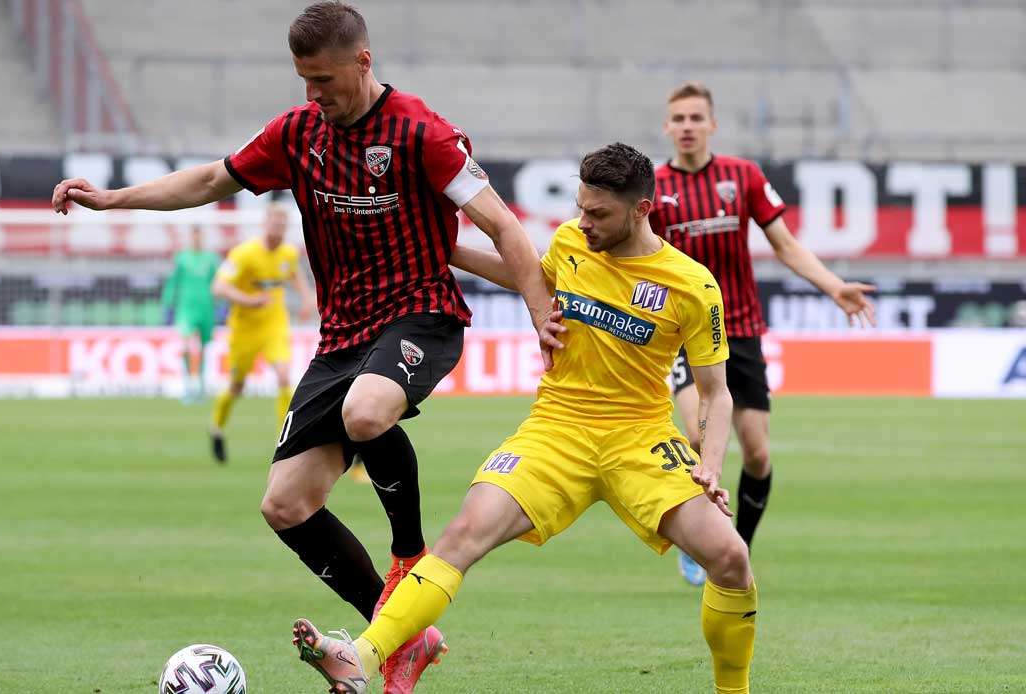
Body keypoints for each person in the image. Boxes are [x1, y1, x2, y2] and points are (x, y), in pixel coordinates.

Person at [50, 3, 561, 691]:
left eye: (323, 79)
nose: (312, 94)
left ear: (363, 61)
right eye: (302, 80)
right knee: (285, 504)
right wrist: (113, 200)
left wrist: (539, 312)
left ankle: (409, 556)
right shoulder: (297, 135)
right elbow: (207, 181)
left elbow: (502, 226)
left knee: (366, 413)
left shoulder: (423, 133)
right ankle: (399, 633)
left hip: (420, 316)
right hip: (342, 336)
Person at [291, 143, 758, 694]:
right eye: (581, 207)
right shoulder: (570, 242)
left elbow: (715, 394)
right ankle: (361, 657)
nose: (583, 222)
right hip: (556, 431)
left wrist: (711, 464)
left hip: (641, 438)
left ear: (642, 210)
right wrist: (444, 250)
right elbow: (527, 275)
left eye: (598, 214)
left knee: (730, 556)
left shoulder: (693, 285)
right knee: (463, 533)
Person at [652, 82, 876, 586]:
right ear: (667, 127)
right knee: (696, 433)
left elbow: (787, 246)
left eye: (695, 118)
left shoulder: (743, 176)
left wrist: (835, 286)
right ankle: (699, 543)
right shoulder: (653, 186)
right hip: (683, 331)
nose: (687, 126)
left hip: (741, 331)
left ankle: (739, 547)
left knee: (756, 453)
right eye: (678, 119)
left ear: (712, 124)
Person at [208, 202, 315, 463]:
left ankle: (286, 440)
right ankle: (216, 428)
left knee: (282, 375)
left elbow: (296, 275)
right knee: (237, 385)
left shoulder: (288, 253)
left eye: (282, 225)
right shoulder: (244, 254)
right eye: (274, 223)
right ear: (265, 223)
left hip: (274, 325)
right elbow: (218, 287)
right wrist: (248, 300)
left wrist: (307, 299)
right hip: (244, 329)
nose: (278, 229)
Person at [161, 226, 221, 403]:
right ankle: (188, 385)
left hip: (206, 307)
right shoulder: (182, 258)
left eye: (199, 236)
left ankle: (201, 387)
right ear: (190, 237)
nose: (197, 239)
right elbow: (173, 282)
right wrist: (167, 304)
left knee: (203, 348)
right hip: (186, 307)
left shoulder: (211, 259)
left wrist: (221, 305)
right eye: (194, 236)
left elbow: (218, 282)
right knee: (187, 344)